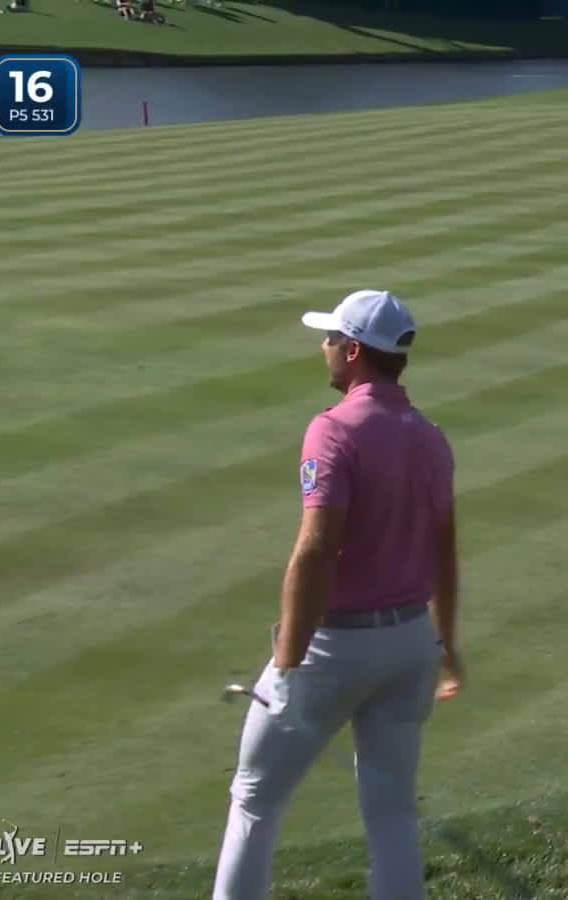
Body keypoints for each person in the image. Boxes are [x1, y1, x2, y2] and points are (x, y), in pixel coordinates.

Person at [211, 289, 464, 900]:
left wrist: (288, 661)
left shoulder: (333, 432)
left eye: (329, 340)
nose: (322, 348)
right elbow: (444, 553)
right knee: (392, 810)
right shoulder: (429, 436)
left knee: (254, 799)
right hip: (410, 643)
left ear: (353, 352)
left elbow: (316, 549)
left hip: (334, 647)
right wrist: (446, 644)